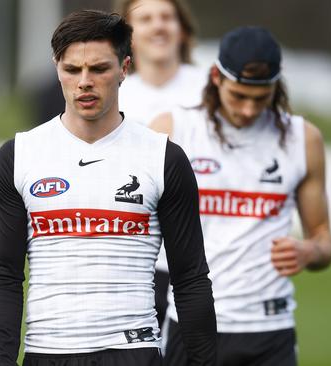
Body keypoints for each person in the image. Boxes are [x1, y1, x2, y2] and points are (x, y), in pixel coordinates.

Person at [0, 10, 216, 366]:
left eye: (99, 69)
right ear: (56, 67)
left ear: (124, 68)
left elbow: (190, 279)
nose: (84, 82)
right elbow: (4, 277)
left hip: (132, 352)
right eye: (72, 70)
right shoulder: (19, 155)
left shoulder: (162, 157)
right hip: (48, 353)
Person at [149, 26, 331, 366]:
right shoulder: (172, 130)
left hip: (271, 330)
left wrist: (309, 251)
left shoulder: (303, 139)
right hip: (192, 325)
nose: (249, 109)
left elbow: (324, 241)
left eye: (260, 98)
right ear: (216, 78)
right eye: (239, 96)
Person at [117, 0, 204, 328]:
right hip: (134, 265)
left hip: (201, 262)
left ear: (182, 28)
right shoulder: (111, 91)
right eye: (147, 18)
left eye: (167, 17)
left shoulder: (212, 89)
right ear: (128, 33)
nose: (159, 26)